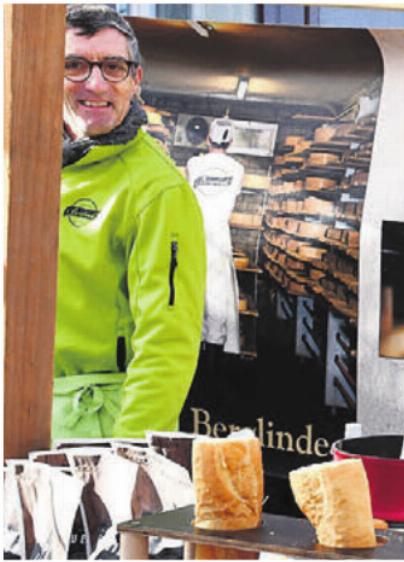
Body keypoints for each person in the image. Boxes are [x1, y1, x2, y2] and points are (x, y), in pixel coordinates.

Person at [56, 4, 206, 440]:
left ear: (135, 80)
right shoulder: (25, 164)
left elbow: (167, 345)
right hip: (22, 414)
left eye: (113, 67)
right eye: (75, 65)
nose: (95, 83)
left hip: (96, 431)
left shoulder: (156, 191)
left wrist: (127, 459)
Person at [186, 119, 244, 354]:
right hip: (219, 238)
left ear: (208, 138)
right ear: (230, 142)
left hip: (195, 235)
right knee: (217, 297)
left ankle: (193, 360)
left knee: (192, 292)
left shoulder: (194, 163)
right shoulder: (237, 169)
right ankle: (214, 359)